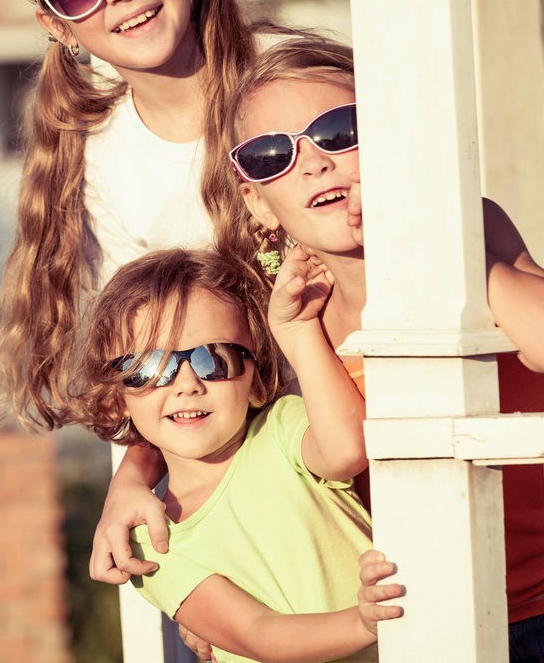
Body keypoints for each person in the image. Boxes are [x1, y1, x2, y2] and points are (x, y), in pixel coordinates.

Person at [92, 34, 544, 662]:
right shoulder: (282, 304)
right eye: (270, 155)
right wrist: (132, 477)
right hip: (425, 607)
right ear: (256, 201)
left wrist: (426, 225)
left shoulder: (466, 230)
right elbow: (214, 412)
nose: (314, 163)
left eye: (340, 131)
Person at [0, 0, 256, 428]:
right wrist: (133, 477)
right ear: (56, 24)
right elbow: (145, 364)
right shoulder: (105, 161)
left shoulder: (292, 83)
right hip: (231, 457)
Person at [68, 245, 404, 662]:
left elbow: (346, 451)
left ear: (257, 381)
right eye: (151, 368)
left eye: (216, 358)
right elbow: (259, 633)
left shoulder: (283, 428)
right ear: (117, 396)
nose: (186, 384)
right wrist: (361, 622)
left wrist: (298, 332)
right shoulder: (148, 539)